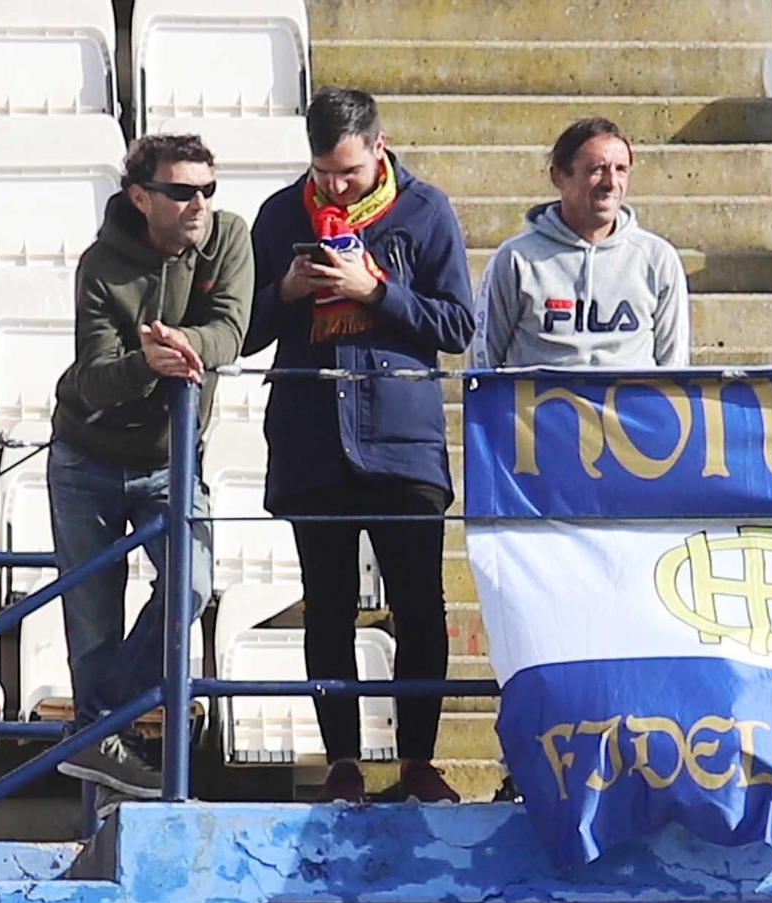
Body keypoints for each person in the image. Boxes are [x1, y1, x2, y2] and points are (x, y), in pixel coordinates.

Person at [245, 88, 475, 803]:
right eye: (323, 173)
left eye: (347, 172)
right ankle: (342, 761)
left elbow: (459, 326)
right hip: (314, 438)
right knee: (329, 601)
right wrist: (286, 287)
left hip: (402, 440)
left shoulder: (425, 210)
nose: (334, 187)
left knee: (419, 602)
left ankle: (417, 762)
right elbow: (243, 330)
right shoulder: (282, 215)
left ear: (379, 147)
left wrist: (374, 292)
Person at [50, 133, 254, 795]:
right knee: (91, 619)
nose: (199, 203)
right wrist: (148, 363)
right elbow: (95, 377)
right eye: (181, 191)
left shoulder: (227, 239)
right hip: (88, 457)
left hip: (170, 459)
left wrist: (180, 343)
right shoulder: (101, 265)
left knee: (191, 585)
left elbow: (230, 330)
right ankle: (99, 747)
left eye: (207, 188)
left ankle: (96, 721)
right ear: (141, 197)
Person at [470, 116, 689, 368]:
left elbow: (675, 365)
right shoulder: (516, 258)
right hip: (541, 405)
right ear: (558, 177)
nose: (611, 183)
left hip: (629, 406)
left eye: (621, 170)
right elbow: (484, 360)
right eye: (596, 169)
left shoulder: (657, 258)